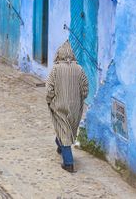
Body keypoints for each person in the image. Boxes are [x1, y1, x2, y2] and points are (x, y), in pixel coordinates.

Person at [46, 40, 89, 173]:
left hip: (60, 105)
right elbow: (85, 88)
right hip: (75, 107)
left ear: (59, 54)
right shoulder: (79, 69)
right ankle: (60, 145)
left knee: (63, 129)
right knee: (67, 128)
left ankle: (68, 163)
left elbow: (49, 89)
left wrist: (49, 100)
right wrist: (80, 99)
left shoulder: (55, 69)